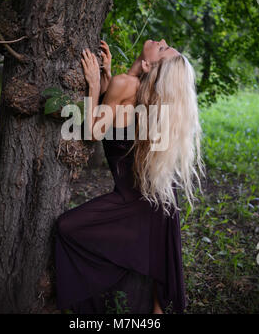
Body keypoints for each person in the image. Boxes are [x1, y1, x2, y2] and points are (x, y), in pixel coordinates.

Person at [55, 38, 205, 314]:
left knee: (67, 228)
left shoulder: (126, 84)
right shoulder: (133, 89)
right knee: (157, 283)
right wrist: (107, 77)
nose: (160, 40)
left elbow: (93, 132)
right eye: (164, 44)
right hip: (159, 198)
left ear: (148, 65)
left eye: (162, 49)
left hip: (135, 199)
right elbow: (117, 119)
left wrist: (93, 84)